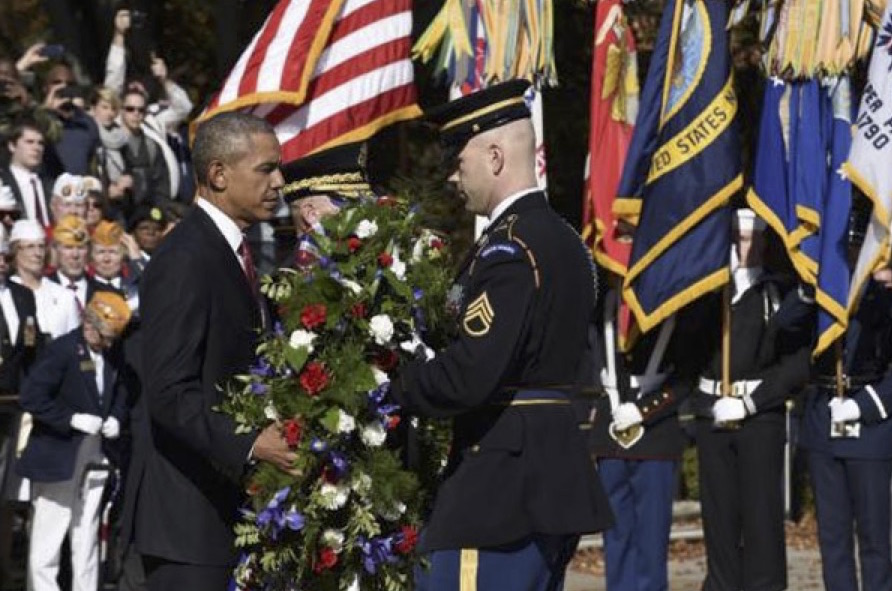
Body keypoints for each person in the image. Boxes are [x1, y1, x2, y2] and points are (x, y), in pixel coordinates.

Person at [389, 80, 613, 590]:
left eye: (458, 159)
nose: (452, 175)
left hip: (500, 485)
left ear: (494, 156)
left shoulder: (509, 250)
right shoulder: (565, 241)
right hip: (546, 470)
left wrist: (393, 387)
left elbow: (470, 374)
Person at [128, 111, 295, 591]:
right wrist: (251, 443)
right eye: (265, 169)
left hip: (224, 514)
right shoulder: (184, 257)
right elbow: (169, 393)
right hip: (188, 524)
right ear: (219, 174)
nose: (280, 182)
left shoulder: (233, 253)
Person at [690, 209, 813, 591]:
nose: (742, 247)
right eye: (735, 238)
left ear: (763, 240)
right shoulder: (708, 294)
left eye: (748, 238)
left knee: (761, 521)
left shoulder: (779, 294)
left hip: (759, 419)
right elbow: (688, 348)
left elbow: (797, 362)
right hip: (713, 416)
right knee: (719, 521)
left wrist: (752, 401)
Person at [799, 209, 892, 591]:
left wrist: (865, 405)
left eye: (857, 245)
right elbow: (785, 328)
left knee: (874, 540)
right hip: (824, 420)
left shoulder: (883, 300)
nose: (851, 253)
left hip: (869, 428)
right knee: (833, 541)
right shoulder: (820, 293)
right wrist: (808, 287)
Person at [17, 291, 132, 591]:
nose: (109, 344)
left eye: (112, 339)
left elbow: (120, 390)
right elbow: (32, 396)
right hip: (59, 453)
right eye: (105, 337)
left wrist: (116, 418)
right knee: (49, 537)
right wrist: (70, 418)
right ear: (89, 325)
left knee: (87, 533)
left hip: (96, 453)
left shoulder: (110, 353)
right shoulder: (63, 350)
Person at [591, 275, 700, 591]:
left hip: (655, 432)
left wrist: (644, 410)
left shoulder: (672, 302)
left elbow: (685, 374)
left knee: (651, 539)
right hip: (611, 430)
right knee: (616, 537)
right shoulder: (604, 301)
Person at [0, 224, 41, 589]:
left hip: (13, 406)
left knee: (7, 495)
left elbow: (31, 348)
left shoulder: (21, 295)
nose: (0, 262)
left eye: (3, 256)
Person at [9, 220, 80, 341]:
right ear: (16, 251)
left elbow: (75, 342)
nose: (37, 253)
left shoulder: (64, 296)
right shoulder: (6, 293)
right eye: (30, 247)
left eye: (41, 246)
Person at [0, 121, 52, 228]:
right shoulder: (2, 181)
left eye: (40, 143)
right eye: (29, 142)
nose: (36, 148)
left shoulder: (50, 184)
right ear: (12, 146)